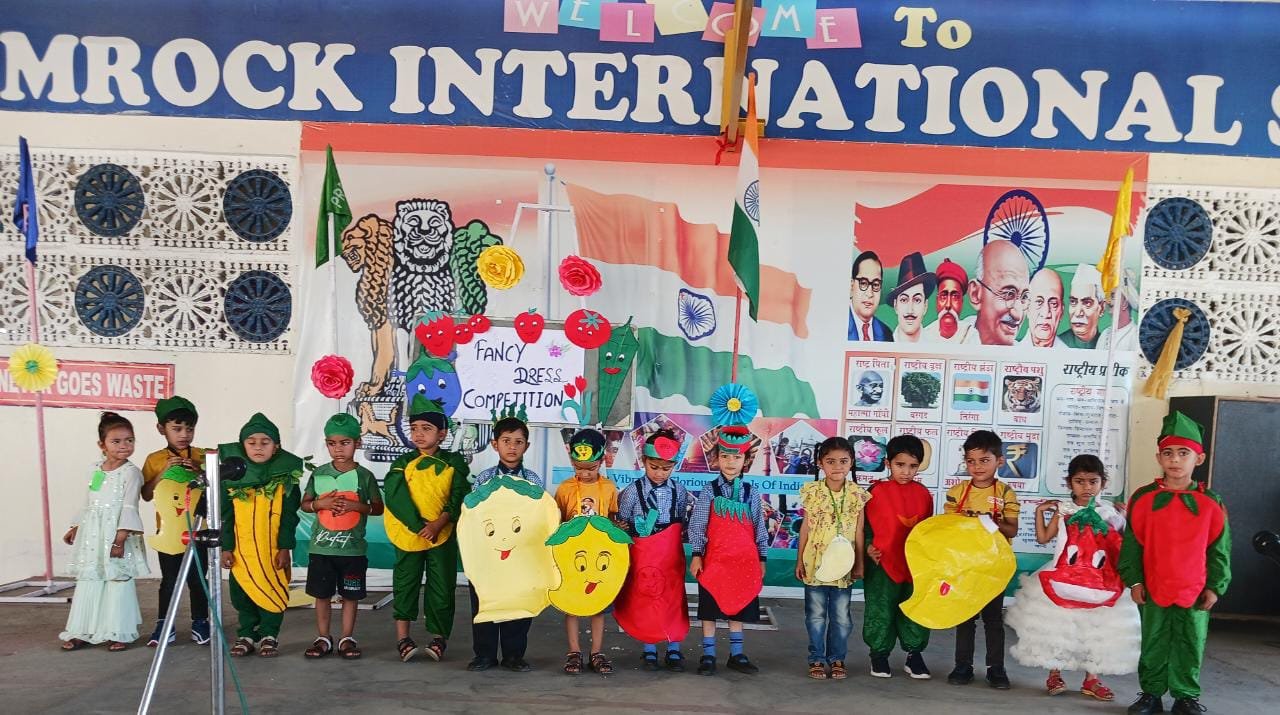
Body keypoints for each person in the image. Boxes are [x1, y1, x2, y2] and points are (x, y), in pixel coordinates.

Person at [1119, 412, 1231, 715]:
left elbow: (1219, 550)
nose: (1175, 460)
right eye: (1168, 453)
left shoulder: (1211, 502)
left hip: (1194, 589)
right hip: (1154, 585)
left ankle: (1185, 697)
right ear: (1159, 457)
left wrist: (1215, 586)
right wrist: (1135, 580)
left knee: (1190, 641)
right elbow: (1132, 544)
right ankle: (1151, 694)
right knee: (1152, 640)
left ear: (1199, 458)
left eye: (1184, 453)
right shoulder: (1143, 499)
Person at [1006, 455, 1139, 702]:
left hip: (1099, 581)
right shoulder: (1063, 510)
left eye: (1093, 481)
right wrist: (1040, 512)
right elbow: (1044, 538)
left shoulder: (1109, 512)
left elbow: (1122, 545)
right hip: (1063, 577)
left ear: (1103, 483)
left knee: (1096, 629)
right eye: (1080, 481)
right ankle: (1054, 673)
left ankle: (1092, 679)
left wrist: (1126, 517)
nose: (1087, 487)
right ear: (1069, 483)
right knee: (1059, 627)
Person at [384, 395, 470, 663]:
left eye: (426, 428)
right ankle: (403, 638)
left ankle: (439, 637)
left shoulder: (454, 463)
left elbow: (459, 495)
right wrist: (418, 525)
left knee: (442, 586)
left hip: (441, 535)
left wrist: (438, 523)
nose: (419, 434)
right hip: (409, 535)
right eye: (414, 428)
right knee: (405, 583)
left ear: (441, 434)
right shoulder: (401, 463)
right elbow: (395, 495)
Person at [60, 412, 149, 652]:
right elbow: (89, 500)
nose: (124, 445)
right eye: (116, 441)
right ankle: (82, 631)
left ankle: (119, 631)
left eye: (129, 440)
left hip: (117, 534)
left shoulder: (131, 472)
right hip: (93, 534)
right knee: (90, 578)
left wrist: (120, 540)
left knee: (117, 580)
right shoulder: (96, 470)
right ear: (102, 445)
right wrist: (76, 526)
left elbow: (130, 506)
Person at [219, 413, 302, 658]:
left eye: (265, 442)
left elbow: (289, 517)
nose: (258, 447)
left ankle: (269, 635)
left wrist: (285, 548)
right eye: (251, 442)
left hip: (271, 551)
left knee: (272, 590)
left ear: (276, 447)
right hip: (241, 552)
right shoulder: (231, 478)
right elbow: (226, 516)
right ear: (242, 445)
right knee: (242, 594)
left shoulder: (285, 478)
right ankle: (246, 634)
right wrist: (226, 547)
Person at [301, 413, 383, 660]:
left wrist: (355, 506)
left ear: (358, 443)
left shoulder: (365, 476)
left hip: (352, 550)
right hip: (321, 548)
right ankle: (323, 637)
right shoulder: (319, 474)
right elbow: (305, 503)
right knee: (322, 595)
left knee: (350, 595)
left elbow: (378, 508)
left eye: (345, 443)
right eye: (332, 443)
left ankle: (347, 638)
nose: (338, 449)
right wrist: (321, 503)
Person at [688, 425, 768, 676]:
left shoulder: (751, 492)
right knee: (709, 609)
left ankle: (737, 654)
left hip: (744, 562)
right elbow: (698, 524)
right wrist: (697, 555)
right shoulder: (709, 491)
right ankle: (708, 655)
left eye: (736, 457)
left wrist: (762, 557)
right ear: (716, 458)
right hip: (714, 561)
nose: (730, 462)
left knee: (738, 605)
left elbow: (759, 527)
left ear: (746, 460)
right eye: (725, 456)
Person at [467, 406, 542, 673]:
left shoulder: (533, 481)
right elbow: (473, 516)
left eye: (518, 442)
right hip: (487, 556)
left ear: (526, 446)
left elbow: (538, 517)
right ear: (494, 444)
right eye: (506, 441)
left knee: (518, 604)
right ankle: (484, 655)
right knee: (485, 602)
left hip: (520, 556)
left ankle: (514, 655)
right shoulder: (484, 480)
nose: (512, 447)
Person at [944, 429, 1020, 689]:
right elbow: (948, 528)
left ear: (999, 461)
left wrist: (989, 522)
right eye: (971, 461)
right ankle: (962, 666)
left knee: (993, 620)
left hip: (994, 566)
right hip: (965, 565)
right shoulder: (957, 492)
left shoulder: (1006, 493)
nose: (977, 466)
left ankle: (996, 669)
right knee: (965, 618)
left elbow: (1012, 530)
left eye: (984, 460)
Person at [795, 437, 869, 680]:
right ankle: (816, 658)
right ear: (820, 463)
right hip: (815, 563)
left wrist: (860, 563)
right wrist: (799, 560)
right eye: (831, 461)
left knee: (841, 618)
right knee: (815, 616)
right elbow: (805, 528)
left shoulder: (858, 494)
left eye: (843, 461)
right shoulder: (812, 491)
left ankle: (837, 658)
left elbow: (859, 531)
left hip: (844, 566)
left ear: (852, 463)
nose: (837, 466)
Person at [617, 429, 692, 672]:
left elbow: (680, 520)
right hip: (643, 554)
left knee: (673, 598)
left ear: (674, 466)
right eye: (654, 467)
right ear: (643, 461)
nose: (660, 473)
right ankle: (649, 648)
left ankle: (674, 648)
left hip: (670, 554)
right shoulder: (631, 491)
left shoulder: (679, 491)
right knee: (645, 598)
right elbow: (623, 521)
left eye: (666, 468)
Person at [862, 435, 935, 679]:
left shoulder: (924, 494)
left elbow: (928, 530)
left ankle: (914, 654)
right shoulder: (874, 492)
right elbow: (862, 527)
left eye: (913, 466)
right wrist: (868, 547)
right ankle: (879, 654)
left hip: (915, 565)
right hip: (882, 563)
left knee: (914, 607)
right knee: (880, 608)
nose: (906, 471)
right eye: (900, 465)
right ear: (888, 463)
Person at [139, 395, 209, 647]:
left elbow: (214, 490)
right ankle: (164, 625)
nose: (184, 435)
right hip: (168, 532)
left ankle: (201, 622)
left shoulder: (202, 456)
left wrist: (199, 471)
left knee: (198, 579)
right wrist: (163, 471)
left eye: (189, 429)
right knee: (169, 580)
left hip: (198, 530)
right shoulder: (154, 459)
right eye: (177, 428)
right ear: (161, 429)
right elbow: (146, 495)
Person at [554, 428, 621, 675]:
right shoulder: (565, 489)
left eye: (590, 468)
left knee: (598, 605)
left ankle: (596, 652)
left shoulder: (609, 488)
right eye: (578, 467)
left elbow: (613, 518)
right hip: (572, 558)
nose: (584, 473)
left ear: (602, 460)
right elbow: (558, 520)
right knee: (572, 604)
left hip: (600, 558)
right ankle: (574, 651)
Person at [965, 240, 1030, 346]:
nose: (1018, 315)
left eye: (1024, 297)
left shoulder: (1025, 353)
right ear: (975, 294)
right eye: (1008, 294)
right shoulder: (953, 343)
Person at [887, 251, 937, 343]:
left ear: (925, 306)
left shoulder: (937, 345)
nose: (910, 310)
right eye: (904, 300)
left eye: (917, 300)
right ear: (895, 306)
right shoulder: (884, 343)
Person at [922, 259, 970, 342]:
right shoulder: (925, 336)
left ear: (962, 302)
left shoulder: (971, 336)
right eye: (943, 296)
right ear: (937, 300)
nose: (948, 305)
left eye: (955, 297)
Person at [849, 250, 893, 341]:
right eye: (863, 283)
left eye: (876, 284)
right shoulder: (839, 325)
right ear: (852, 286)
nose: (870, 294)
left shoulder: (886, 334)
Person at [1060, 264, 1105, 349]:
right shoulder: (1058, 344)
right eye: (1073, 302)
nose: (1078, 313)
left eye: (1087, 303)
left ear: (1102, 308)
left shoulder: (1106, 345)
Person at [1020, 268, 1064, 348]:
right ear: (1027, 308)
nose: (1045, 313)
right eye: (1039, 302)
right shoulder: (1010, 351)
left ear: (1061, 311)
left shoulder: (1071, 353)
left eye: (1053, 304)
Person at [1099, 269, 1138, 351]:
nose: (1108, 301)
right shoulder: (1105, 334)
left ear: (1125, 303)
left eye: (1113, 296)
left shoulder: (1136, 335)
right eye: (1107, 296)